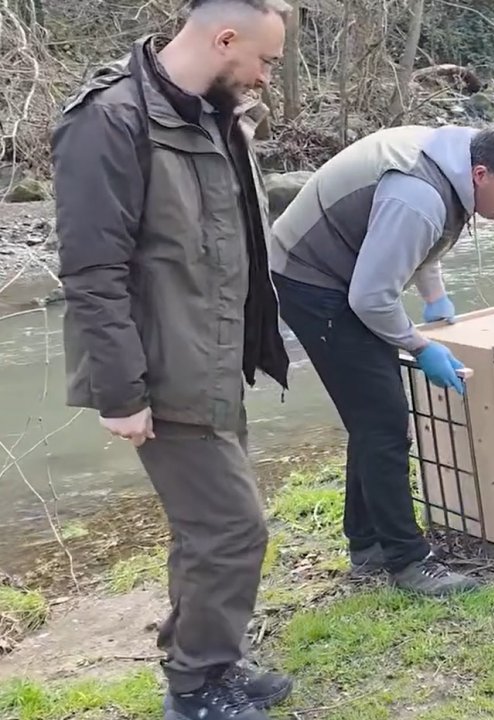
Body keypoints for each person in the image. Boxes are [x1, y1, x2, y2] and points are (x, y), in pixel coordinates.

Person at [49, 1, 294, 718]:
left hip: (214, 357)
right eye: (264, 61)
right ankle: (195, 688)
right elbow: (92, 271)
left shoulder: (212, 113)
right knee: (234, 529)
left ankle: (210, 659)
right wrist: (122, 393)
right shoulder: (111, 120)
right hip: (164, 369)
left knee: (207, 528)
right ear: (224, 39)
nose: (266, 77)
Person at [268, 120, 494, 596]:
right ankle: (409, 561)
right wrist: (420, 345)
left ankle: (368, 542)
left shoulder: (454, 164)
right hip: (310, 278)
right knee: (384, 419)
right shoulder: (419, 194)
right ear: (481, 174)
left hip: (347, 273)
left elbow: (422, 244)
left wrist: (434, 297)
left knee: (373, 413)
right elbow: (370, 297)